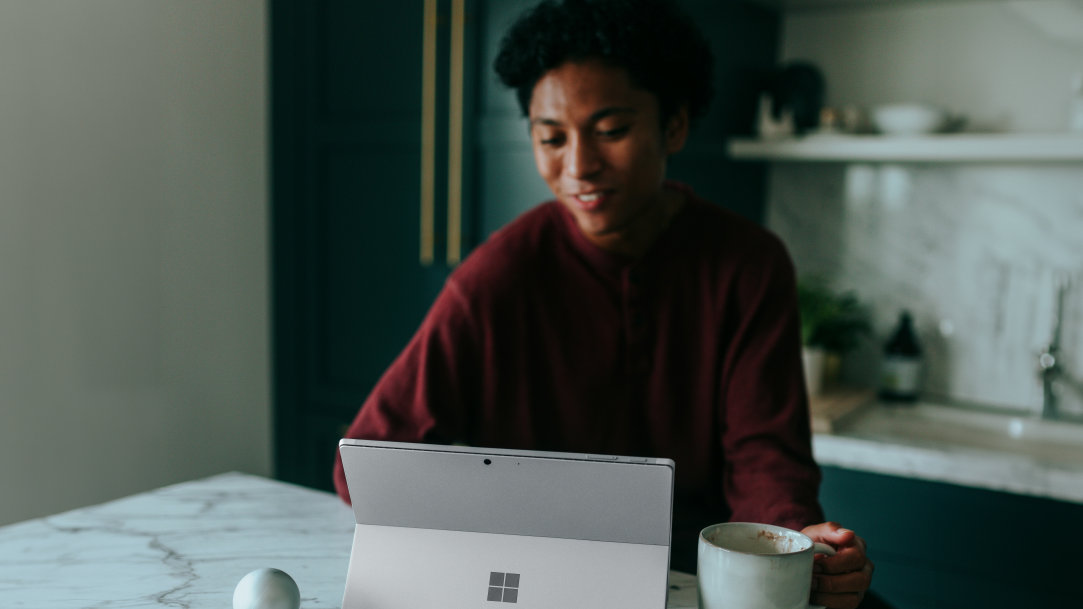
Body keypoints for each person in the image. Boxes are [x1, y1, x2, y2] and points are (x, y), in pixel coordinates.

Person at [333, 1, 874, 607]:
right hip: (543, 582)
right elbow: (371, 460)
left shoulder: (747, 264)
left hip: (701, 580)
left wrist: (793, 534)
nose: (578, 166)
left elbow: (765, 455)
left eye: (611, 131)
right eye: (551, 138)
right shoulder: (498, 277)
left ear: (674, 125)